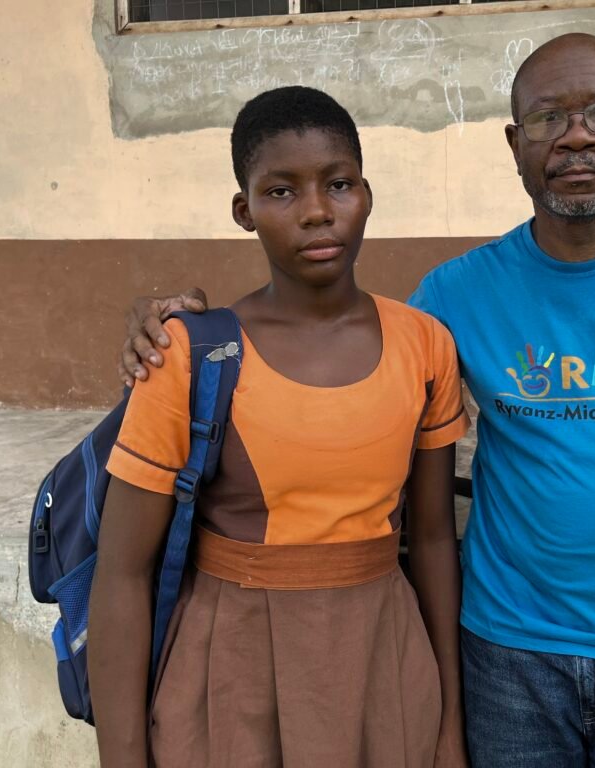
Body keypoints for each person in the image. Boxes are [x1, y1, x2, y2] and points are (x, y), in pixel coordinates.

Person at [118, 34, 595, 768]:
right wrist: (180, 327)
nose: (576, 137)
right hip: (508, 657)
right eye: (546, 118)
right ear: (513, 143)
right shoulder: (454, 295)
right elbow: (342, 347)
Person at [88, 86, 471, 768]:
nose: (317, 211)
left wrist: (448, 725)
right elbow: (122, 575)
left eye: (339, 184)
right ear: (245, 210)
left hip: (383, 660)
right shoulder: (191, 355)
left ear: (367, 195)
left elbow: (436, 539)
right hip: (232, 668)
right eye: (282, 191)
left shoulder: (425, 344)